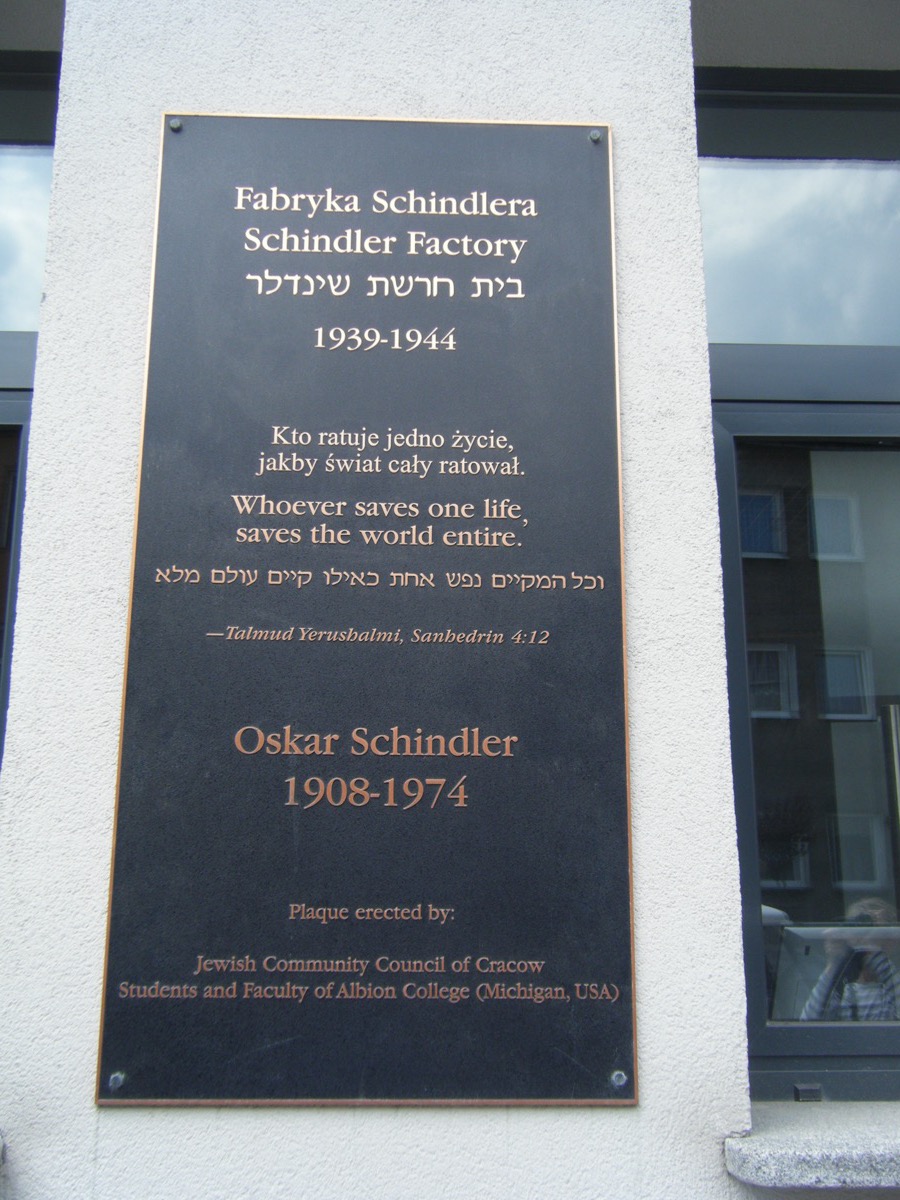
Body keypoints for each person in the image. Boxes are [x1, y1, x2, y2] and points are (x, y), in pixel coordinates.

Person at [800, 897, 900, 1021]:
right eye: (858, 925)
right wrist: (833, 963)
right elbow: (809, 1023)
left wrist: (875, 952)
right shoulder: (844, 989)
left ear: (893, 941)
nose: (864, 936)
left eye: (871, 927)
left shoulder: (892, 987)